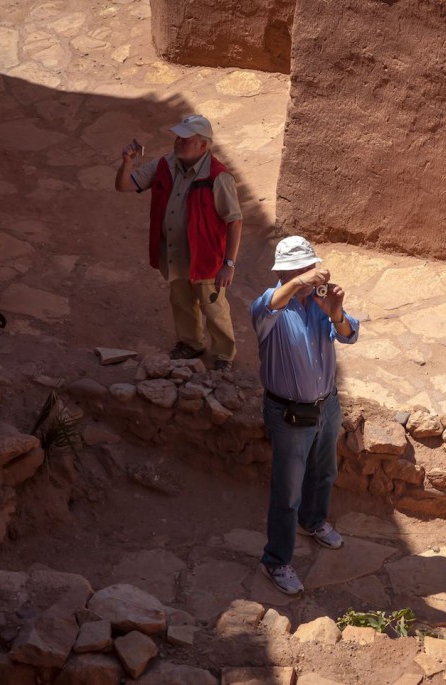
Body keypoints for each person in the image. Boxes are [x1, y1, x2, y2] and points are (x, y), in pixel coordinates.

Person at [251, 236, 360, 595]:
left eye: (312, 267)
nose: (313, 275)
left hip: (326, 405)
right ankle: (277, 561)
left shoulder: (318, 304)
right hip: (288, 413)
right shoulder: (270, 309)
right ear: (286, 272)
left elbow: (348, 335)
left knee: (324, 471)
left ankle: (313, 522)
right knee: (287, 492)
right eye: (304, 269)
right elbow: (269, 304)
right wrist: (301, 281)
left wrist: (336, 312)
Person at [115, 114, 242, 370]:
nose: (178, 142)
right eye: (178, 137)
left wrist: (229, 263)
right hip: (174, 254)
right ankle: (191, 343)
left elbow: (235, 221)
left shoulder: (219, 178)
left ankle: (224, 355)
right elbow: (125, 186)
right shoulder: (165, 164)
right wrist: (127, 163)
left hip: (206, 259)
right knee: (182, 302)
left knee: (214, 307)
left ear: (203, 146)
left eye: (186, 139)